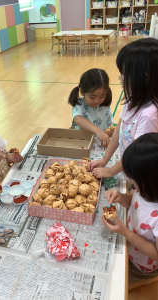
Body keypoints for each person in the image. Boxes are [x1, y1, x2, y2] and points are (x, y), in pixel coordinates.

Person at [89, 38, 158, 178]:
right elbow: (118, 132)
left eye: (124, 73)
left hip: (139, 173)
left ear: (144, 78)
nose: (119, 78)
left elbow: (137, 155)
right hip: (128, 165)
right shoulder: (132, 99)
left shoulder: (148, 116)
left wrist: (110, 171)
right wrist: (104, 160)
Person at [102, 133, 158, 288]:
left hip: (141, 263)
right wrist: (121, 197)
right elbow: (133, 197)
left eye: (134, 180)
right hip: (129, 245)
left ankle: (148, 280)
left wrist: (125, 233)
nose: (132, 183)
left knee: (117, 285)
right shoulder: (145, 189)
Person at [68, 68, 114, 147]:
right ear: (82, 92)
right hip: (83, 143)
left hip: (100, 143)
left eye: (102, 96)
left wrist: (111, 131)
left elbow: (110, 123)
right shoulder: (79, 104)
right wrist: (97, 131)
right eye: (92, 97)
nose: (97, 101)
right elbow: (78, 119)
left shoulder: (105, 105)